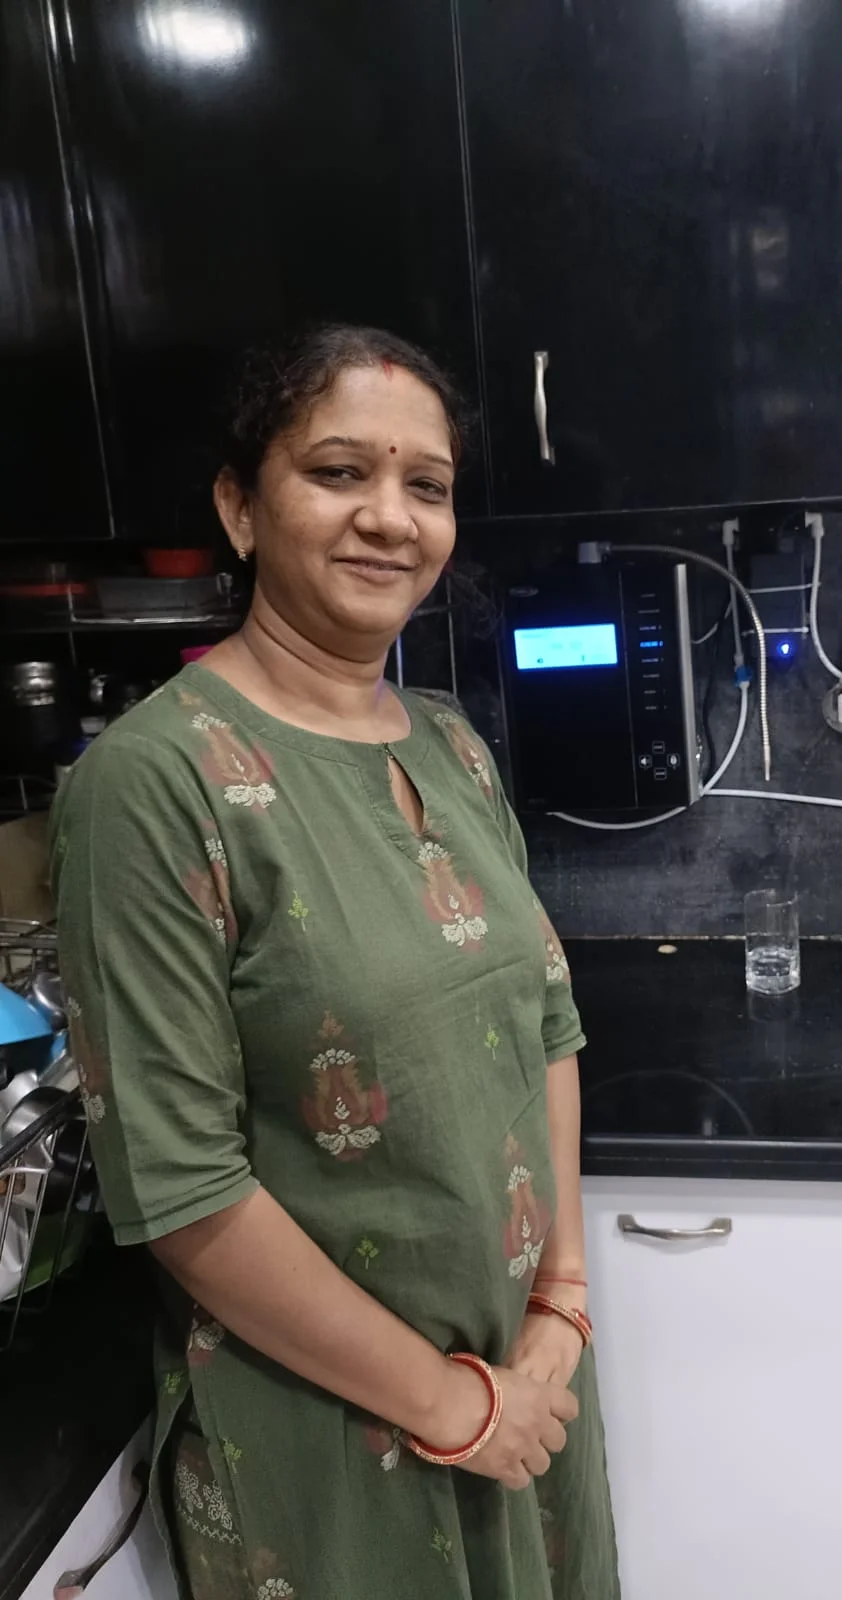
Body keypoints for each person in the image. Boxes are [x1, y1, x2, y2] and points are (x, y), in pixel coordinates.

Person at [51, 324, 620, 1600]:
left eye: (426, 485)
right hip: (337, 1433)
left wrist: (561, 1307)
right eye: (338, 472)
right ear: (240, 508)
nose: (390, 519)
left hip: (525, 1379)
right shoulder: (154, 784)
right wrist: (453, 1405)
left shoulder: (455, 746)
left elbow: (548, 1025)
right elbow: (183, 1191)